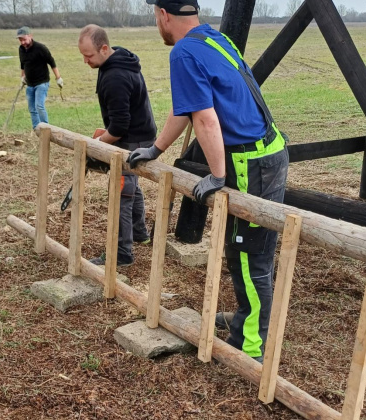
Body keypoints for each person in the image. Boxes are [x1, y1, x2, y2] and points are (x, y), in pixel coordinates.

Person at [129, 0, 289, 362]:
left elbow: (205, 119)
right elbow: (186, 107)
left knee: (249, 257)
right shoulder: (213, 38)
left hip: (252, 162)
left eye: (156, 18)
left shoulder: (183, 53)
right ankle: (249, 318)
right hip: (269, 150)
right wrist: (156, 149)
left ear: (162, 15)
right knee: (250, 251)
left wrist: (218, 175)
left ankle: (250, 347)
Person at [78, 24, 156, 267]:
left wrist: (98, 144)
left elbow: (120, 126)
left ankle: (122, 253)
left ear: (103, 48)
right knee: (132, 185)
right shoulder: (118, 58)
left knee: (121, 192)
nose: (85, 61)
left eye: (89, 56)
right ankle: (140, 233)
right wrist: (105, 133)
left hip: (133, 139)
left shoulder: (116, 77)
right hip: (140, 132)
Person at [17, 26, 63, 129]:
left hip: (42, 83)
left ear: (30, 36)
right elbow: (22, 64)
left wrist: (58, 78)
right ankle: (36, 128)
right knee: (32, 108)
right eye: (20, 40)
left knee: (39, 106)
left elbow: (52, 62)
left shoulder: (40, 48)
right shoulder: (21, 49)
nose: (22, 42)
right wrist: (22, 77)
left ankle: (46, 128)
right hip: (30, 83)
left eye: (24, 39)